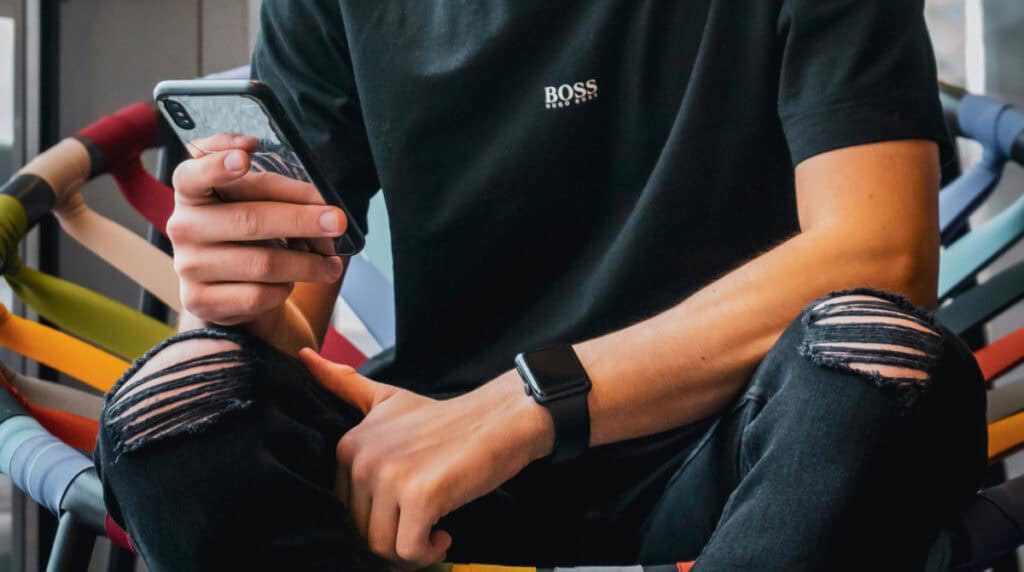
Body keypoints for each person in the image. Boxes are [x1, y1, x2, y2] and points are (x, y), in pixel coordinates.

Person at [94, 1, 988, 570]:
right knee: (176, 400)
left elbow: (880, 256)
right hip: (434, 491)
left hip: (743, 463)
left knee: (881, 358)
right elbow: (289, 322)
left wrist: (527, 406)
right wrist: (238, 296)